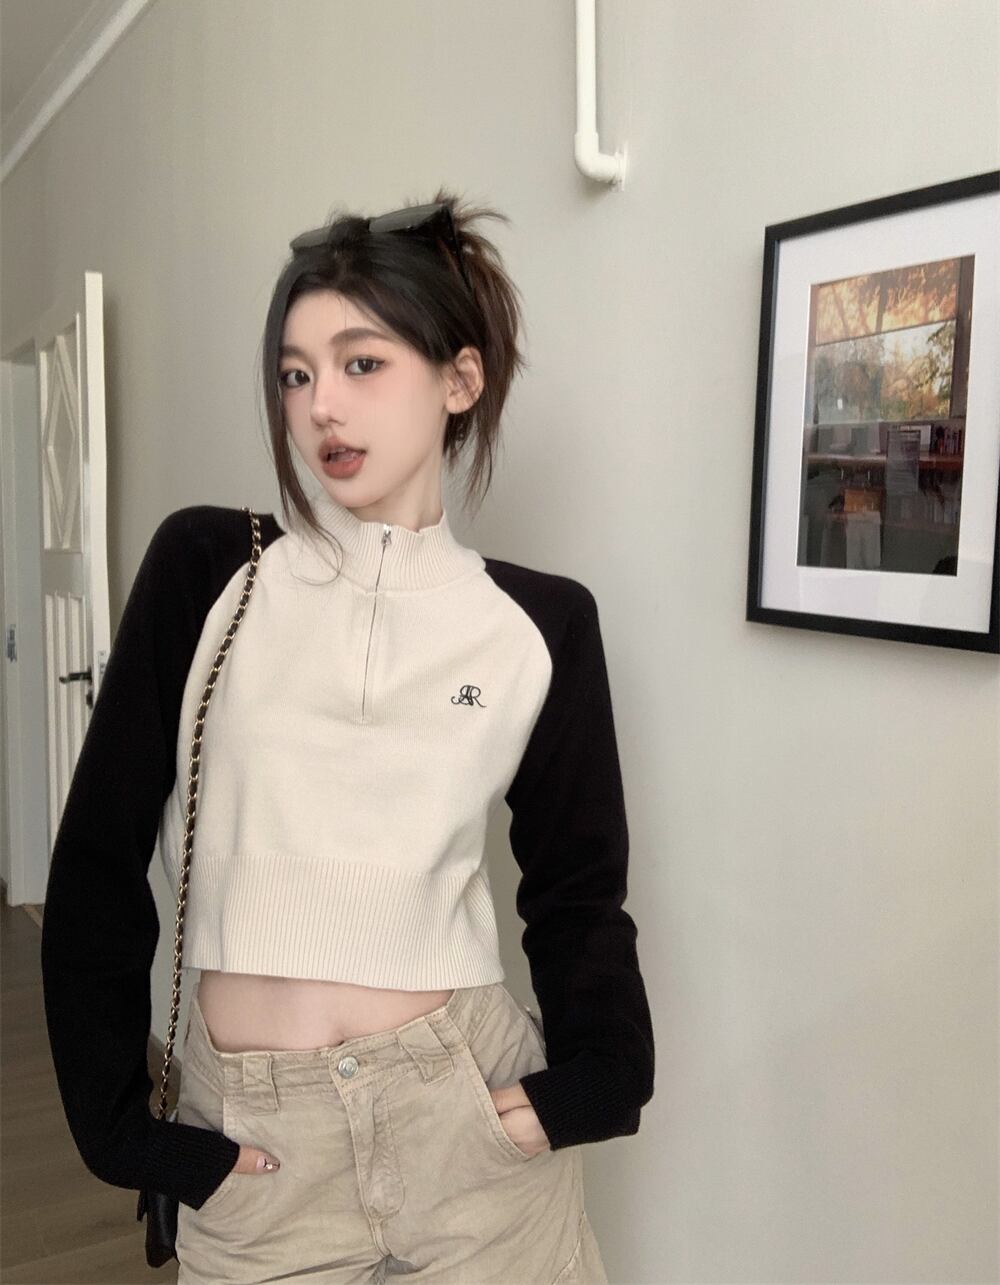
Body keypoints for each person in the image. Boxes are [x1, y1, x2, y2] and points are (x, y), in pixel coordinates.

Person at [40, 188, 655, 1284]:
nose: (322, 404)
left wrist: (600, 1080)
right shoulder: (210, 574)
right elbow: (96, 864)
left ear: (459, 379)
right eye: (295, 373)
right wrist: (118, 1129)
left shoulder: (539, 624)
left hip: (465, 1112)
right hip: (257, 1143)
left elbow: (577, 894)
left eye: (361, 363)